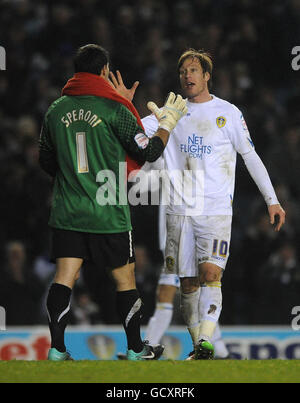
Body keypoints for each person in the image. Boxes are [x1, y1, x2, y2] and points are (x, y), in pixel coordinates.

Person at [110, 48, 286, 360]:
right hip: (178, 211)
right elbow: (132, 129)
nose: (187, 76)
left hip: (215, 209)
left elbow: (250, 156)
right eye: (183, 72)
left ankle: (205, 340)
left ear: (206, 76)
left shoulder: (228, 113)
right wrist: (123, 101)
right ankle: (199, 347)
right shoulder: (171, 112)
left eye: (193, 70)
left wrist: (272, 200)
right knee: (187, 283)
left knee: (211, 274)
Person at [38, 43, 187, 361]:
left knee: (65, 276)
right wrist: (165, 126)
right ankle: (135, 349)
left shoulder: (55, 110)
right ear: (104, 71)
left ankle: (56, 350)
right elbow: (146, 153)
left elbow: (46, 161)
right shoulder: (112, 111)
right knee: (125, 279)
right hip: (109, 212)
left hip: (68, 210)